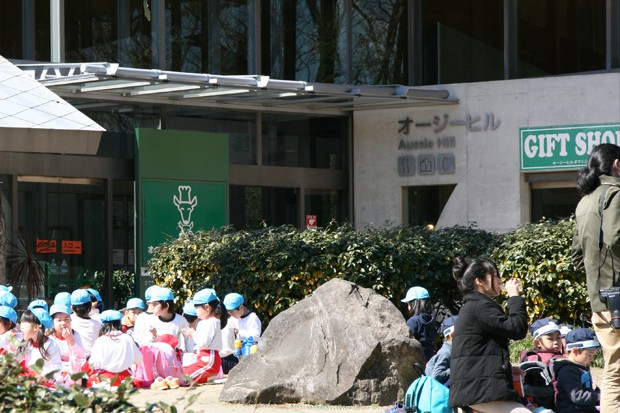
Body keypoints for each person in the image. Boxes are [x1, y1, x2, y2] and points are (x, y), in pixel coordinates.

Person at [572, 143, 620, 412]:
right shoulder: (616, 194)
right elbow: (615, 238)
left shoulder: (584, 202)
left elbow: (577, 256)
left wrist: (598, 280)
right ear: (617, 165)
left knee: (614, 372)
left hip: (601, 303)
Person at [449, 256, 530, 413]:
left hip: (475, 390)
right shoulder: (480, 306)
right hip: (480, 392)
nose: (499, 280)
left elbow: (481, 354)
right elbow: (517, 329)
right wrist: (514, 297)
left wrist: (507, 369)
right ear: (479, 281)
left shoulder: (474, 306)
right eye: (495, 276)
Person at [88, 310, 142, 388]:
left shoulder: (100, 340)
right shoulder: (127, 338)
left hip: (107, 380)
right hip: (125, 379)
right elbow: (138, 360)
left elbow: (94, 364)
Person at [553, 328, 600, 412]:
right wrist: (598, 396)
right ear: (575, 351)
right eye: (589, 355)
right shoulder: (567, 371)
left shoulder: (580, 367)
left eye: (593, 355)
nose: (592, 358)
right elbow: (577, 396)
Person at [182, 288, 223, 384]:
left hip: (209, 362)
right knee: (181, 372)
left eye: (197, 308)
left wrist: (193, 334)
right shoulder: (206, 322)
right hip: (204, 360)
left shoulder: (212, 322)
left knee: (184, 378)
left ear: (207, 307)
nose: (196, 311)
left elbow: (203, 343)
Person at [17, 308, 62, 381]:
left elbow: (57, 366)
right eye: (21, 322)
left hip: (43, 382)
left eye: (24, 323)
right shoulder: (26, 343)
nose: (21, 326)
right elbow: (16, 360)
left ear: (36, 327)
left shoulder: (51, 344)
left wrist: (43, 375)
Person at [141, 287, 190, 352]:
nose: (152, 307)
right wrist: (153, 335)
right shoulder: (150, 320)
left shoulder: (181, 320)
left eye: (155, 304)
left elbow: (189, 340)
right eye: (152, 304)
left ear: (166, 306)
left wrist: (189, 356)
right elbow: (145, 345)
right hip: (157, 359)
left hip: (175, 359)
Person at [48, 303, 86, 385]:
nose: (63, 323)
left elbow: (82, 355)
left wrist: (71, 340)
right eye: (59, 320)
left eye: (66, 319)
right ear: (53, 322)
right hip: (58, 371)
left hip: (74, 371)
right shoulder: (50, 338)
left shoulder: (76, 334)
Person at [401, 286, 436, 361]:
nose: (408, 306)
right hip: (430, 360)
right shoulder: (431, 319)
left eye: (408, 303)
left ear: (414, 303)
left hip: (417, 362)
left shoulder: (413, 321)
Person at [425, 315, 457, 386]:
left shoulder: (450, 350)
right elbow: (436, 375)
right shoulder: (446, 352)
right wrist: (455, 369)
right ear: (452, 335)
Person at [69, 289, 101, 355]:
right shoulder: (97, 324)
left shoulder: (69, 321)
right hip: (91, 360)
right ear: (90, 306)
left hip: (75, 360)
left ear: (72, 308)